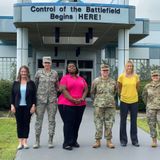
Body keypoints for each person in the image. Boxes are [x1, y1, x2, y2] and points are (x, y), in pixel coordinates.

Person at [58, 62, 88, 150]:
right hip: (66, 104)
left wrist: (82, 98)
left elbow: (86, 89)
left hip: (80, 104)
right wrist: (72, 100)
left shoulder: (81, 79)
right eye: (69, 67)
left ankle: (74, 141)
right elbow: (63, 90)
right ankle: (67, 143)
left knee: (76, 124)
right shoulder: (64, 78)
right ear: (67, 69)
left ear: (76, 68)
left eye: (73, 66)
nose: (71, 67)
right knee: (68, 124)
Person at [33, 56, 59, 149]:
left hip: (52, 101)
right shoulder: (38, 73)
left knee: (52, 121)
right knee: (38, 121)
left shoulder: (55, 73)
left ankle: (50, 140)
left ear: (51, 63)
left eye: (48, 62)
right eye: (45, 63)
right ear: (43, 63)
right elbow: (34, 87)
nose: (47, 64)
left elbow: (57, 87)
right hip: (40, 100)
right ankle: (37, 140)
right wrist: (34, 101)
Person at [91, 64, 116, 149]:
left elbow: (115, 92)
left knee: (109, 123)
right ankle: (97, 141)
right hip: (99, 106)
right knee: (98, 123)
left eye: (106, 70)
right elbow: (92, 92)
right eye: (103, 70)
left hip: (110, 106)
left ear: (108, 71)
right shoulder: (96, 81)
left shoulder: (113, 81)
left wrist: (109, 99)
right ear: (100, 71)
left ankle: (109, 141)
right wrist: (97, 101)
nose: (105, 72)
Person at [10, 65, 36, 150]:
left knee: (26, 123)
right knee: (19, 124)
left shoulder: (31, 83)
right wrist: (12, 105)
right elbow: (12, 95)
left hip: (28, 107)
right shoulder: (15, 83)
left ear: (27, 73)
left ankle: (25, 142)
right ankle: (20, 142)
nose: (23, 73)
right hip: (18, 106)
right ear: (20, 73)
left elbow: (34, 95)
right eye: (22, 71)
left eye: (25, 71)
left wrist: (33, 105)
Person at [118, 60, 140, 147]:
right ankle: (123, 140)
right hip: (124, 101)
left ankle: (134, 140)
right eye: (128, 66)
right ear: (125, 67)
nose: (129, 67)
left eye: (131, 66)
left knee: (133, 121)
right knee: (123, 121)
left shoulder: (136, 77)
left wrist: (132, 94)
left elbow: (137, 88)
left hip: (134, 101)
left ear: (132, 67)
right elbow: (119, 88)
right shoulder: (121, 77)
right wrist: (123, 95)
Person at [142, 70, 160, 147]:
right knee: (152, 125)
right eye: (154, 76)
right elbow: (144, 96)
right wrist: (148, 104)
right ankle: (154, 140)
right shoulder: (147, 86)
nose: (155, 77)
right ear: (151, 77)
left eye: (157, 76)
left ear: (159, 76)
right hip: (151, 109)